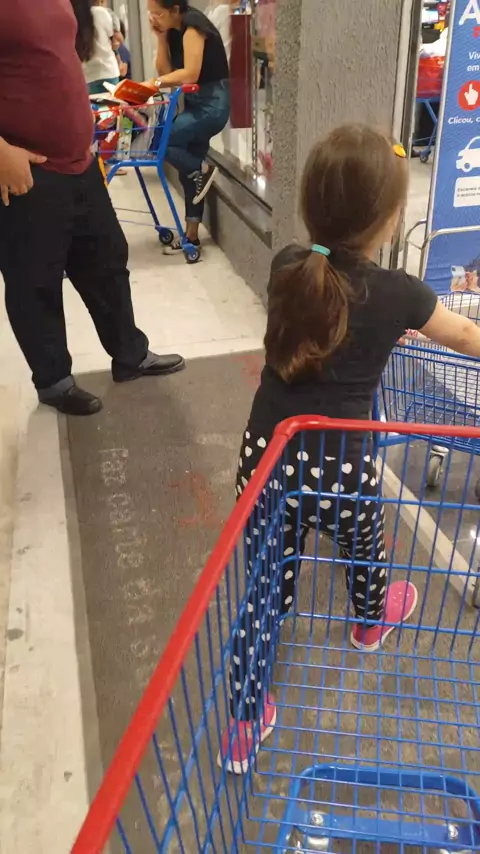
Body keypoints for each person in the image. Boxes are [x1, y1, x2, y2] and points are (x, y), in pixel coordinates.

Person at [217, 124, 480, 775]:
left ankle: (245, 720)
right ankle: (370, 620)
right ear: (389, 221)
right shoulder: (401, 294)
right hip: (341, 464)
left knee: (264, 583)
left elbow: (332, 318)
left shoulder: (288, 265)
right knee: (364, 541)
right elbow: (466, 336)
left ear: (310, 205)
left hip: (268, 454)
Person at [0, 0, 184, 417]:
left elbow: (55, 60)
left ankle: (130, 354)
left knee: (107, 260)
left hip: (79, 160)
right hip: (27, 169)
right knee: (35, 281)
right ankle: (54, 382)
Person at [149, 0, 230, 254]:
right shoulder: (174, 31)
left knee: (162, 142)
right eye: (150, 14)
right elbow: (166, 72)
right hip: (196, 104)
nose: (153, 19)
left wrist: (153, 84)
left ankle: (202, 169)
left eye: (158, 13)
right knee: (190, 175)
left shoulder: (193, 24)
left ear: (175, 9)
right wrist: (161, 38)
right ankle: (191, 237)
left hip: (212, 105)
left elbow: (191, 73)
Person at [79, 0, 121, 95]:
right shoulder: (101, 12)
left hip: (87, 75)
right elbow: (113, 39)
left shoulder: (76, 15)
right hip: (108, 71)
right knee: (111, 103)